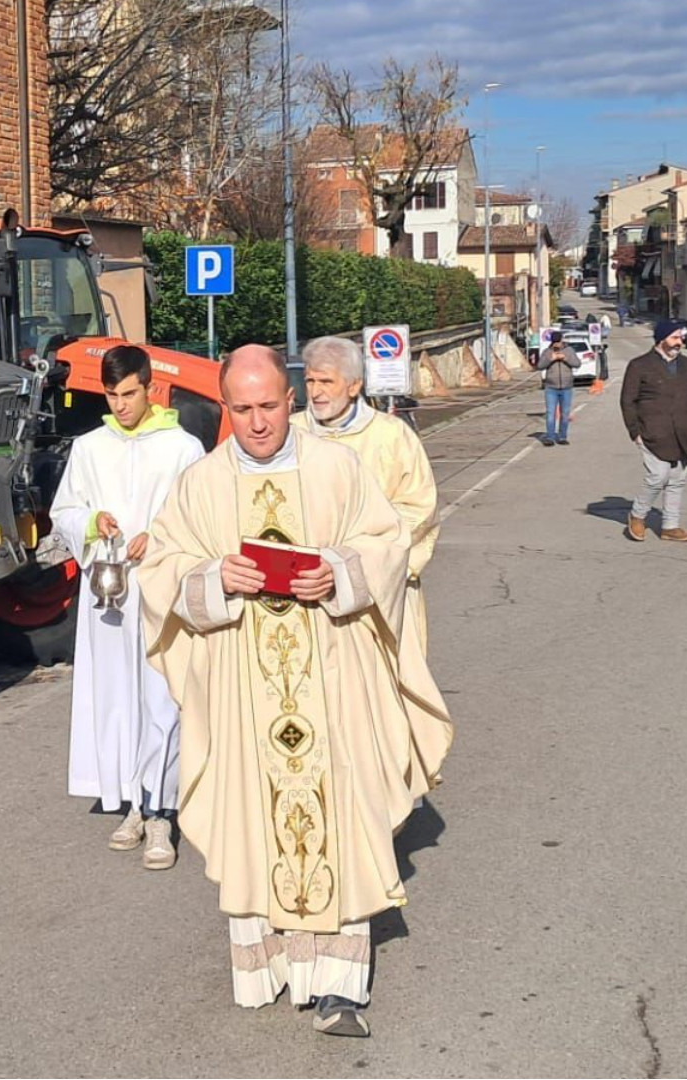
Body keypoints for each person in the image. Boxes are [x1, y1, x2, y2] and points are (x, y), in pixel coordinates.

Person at [139, 344, 453, 1039]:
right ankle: (271, 967)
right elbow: (160, 572)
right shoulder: (201, 484)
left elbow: (388, 542)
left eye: (270, 406)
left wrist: (339, 573)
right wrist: (215, 576)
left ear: (292, 401)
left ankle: (339, 985)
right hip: (243, 695)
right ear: (227, 408)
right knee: (255, 821)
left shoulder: (335, 468)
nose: (256, 423)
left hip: (334, 685)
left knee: (339, 817)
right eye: (242, 409)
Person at [47, 344, 205, 869]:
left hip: (161, 590)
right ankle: (131, 803)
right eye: (112, 395)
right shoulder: (91, 447)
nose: (120, 405)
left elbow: (202, 514)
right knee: (116, 696)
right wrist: (95, 523)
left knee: (161, 698)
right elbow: (65, 509)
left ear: (150, 386)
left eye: (130, 394)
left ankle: (162, 813)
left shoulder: (182, 448)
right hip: (110, 591)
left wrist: (157, 535)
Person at [294, 335, 441, 650]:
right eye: (310, 381)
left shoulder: (390, 436)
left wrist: (356, 555)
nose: (315, 391)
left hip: (379, 589)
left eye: (325, 381)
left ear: (353, 385)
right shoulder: (291, 434)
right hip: (306, 588)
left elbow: (419, 507)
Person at [619, 319, 687, 543]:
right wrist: (634, 431)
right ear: (661, 339)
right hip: (652, 433)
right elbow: (628, 401)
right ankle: (638, 515)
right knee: (657, 477)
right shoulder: (640, 365)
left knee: (677, 480)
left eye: (681, 338)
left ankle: (670, 527)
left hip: (684, 433)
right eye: (675, 337)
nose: (680, 342)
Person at [533, 332, 581, 446]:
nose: (557, 345)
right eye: (555, 342)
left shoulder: (569, 350)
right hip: (551, 387)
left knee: (565, 414)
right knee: (550, 413)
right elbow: (539, 366)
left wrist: (565, 358)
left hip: (566, 387)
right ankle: (550, 437)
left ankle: (562, 436)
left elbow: (577, 363)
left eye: (558, 342)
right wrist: (551, 358)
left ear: (562, 341)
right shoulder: (547, 352)